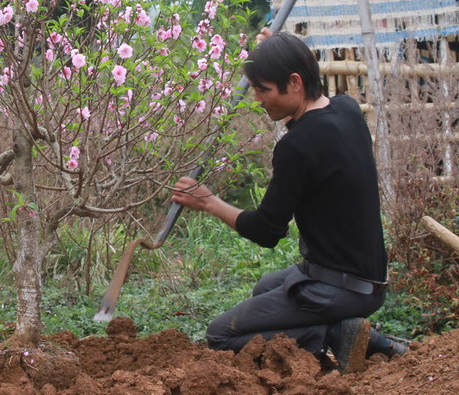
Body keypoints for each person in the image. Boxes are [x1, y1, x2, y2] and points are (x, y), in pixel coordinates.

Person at [171, 30, 406, 373]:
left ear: (294, 82)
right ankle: (341, 331)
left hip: (337, 286)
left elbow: (267, 230)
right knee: (264, 288)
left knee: (221, 335)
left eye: (263, 89)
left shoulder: (296, 148)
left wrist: (210, 202)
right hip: (366, 277)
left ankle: (336, 333)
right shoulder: (347, 109)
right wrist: (275, 48)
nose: (257, 99)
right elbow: (310, 105)